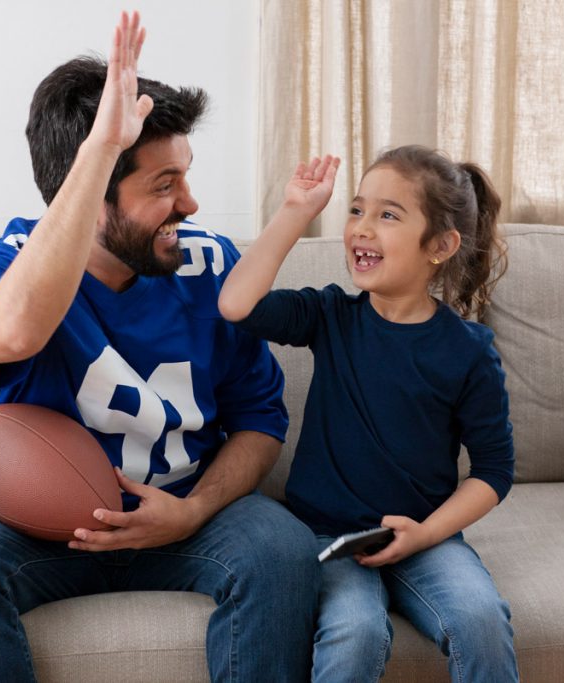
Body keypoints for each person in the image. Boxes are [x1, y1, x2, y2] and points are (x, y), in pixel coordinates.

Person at [0, 12, 319, 683]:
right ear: (92, 198)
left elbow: (260, 419)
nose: (191, 201)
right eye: (163, 185)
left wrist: (192, 511)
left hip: (184, 516)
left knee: (282, 549)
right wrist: (98, 150)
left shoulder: (211, 264)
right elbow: (11, 335)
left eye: (184, 175)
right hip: (36, 529)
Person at [218, 146, 518, 682]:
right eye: (356, 210)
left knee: (481, 619)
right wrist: (294, 212)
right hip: (325, 537)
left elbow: (494, 471)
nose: (361, 228)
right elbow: (236, 305)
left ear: (441, 246)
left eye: (387, 215)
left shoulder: (469, 350)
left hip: (426, 535)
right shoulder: (330, 314)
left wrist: (425, 534)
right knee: (355, 634)